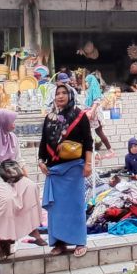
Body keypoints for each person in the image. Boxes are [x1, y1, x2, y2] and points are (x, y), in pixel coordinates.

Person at [0, 110, 46, 260]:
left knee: (31, 187)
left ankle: (32, 229)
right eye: (11, 121)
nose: (14, 124)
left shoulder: (12, 138)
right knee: (8, 199)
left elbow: (19, 159)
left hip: (12, 175)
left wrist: (25, 176)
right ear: (3, 123)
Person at [38, 84, 93, 258]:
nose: (60, 96)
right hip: (54, 170)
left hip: (74, 169)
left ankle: (79, 241)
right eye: (57, 93)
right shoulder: (49, 118)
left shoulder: (80, 116)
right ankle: (59, 243)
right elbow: (43, 141)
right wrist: (40, 161)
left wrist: (88, 164)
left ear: (70, 95)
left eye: (64, 93)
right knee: (56, 209)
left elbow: (88, 141)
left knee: (75, 207)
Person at [84, 71, 116, 160]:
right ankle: (108, 150)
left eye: (87, 81)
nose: (86, 83)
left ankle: (106, 150)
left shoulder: (94, 90)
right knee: (97, 132)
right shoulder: (91, 90)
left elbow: (97, 101)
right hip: (93, 114)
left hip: (94, 115)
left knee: (97, 132)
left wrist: (92, 112)